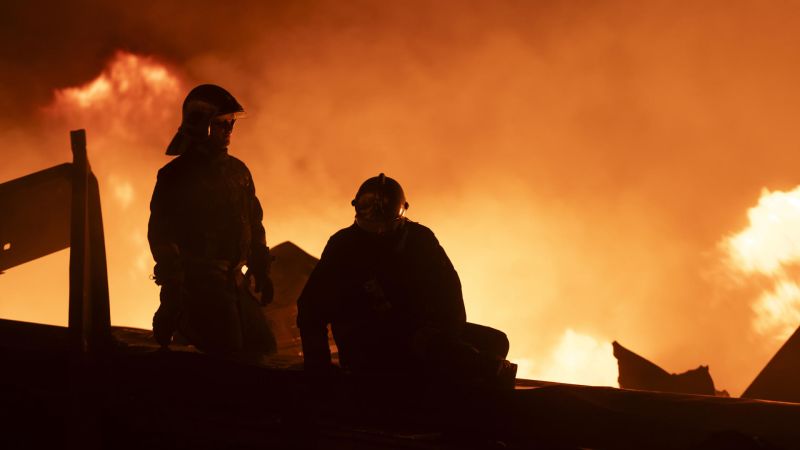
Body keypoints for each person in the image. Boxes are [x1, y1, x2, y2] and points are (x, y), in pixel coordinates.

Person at [297, 173, 515, 386]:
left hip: (421, 334)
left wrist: (444, 336)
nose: (380, 232)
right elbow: (311, 308)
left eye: (385, 226)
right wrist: (319, 367)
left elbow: (449, 290)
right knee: (449, 355)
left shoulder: (421, 240)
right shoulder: (342, 246)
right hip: (368, 344)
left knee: (495, 342)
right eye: (373, 227)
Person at [148, 84, 276, 355]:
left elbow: (253, 221)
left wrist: (259, 267)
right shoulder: (176, 176)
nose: (229, 130)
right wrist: (173, 293)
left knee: (264, 348)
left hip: (234, 281)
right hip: (200, 286)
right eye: (221, 124)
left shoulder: (238, 171)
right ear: (201, 125)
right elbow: (161, 235)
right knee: (229, 354)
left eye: (230, 123)